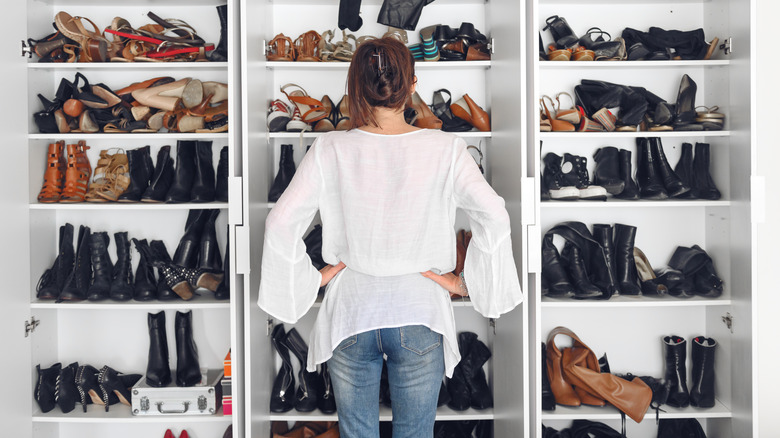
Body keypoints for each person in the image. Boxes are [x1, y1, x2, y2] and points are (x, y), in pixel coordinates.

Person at [258, 37, 522, 438]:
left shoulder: (329, 147)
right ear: (413, 84)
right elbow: (495, 215)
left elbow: (279, 222)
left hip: (351, 313)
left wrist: (313, 279)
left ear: (356, 88)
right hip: (420, 310)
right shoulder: (447, 148)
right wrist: (465, 283)